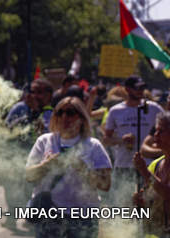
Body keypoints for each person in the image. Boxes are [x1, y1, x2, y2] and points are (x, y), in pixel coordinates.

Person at [25, 96, 112, 238]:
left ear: (81, 118)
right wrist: (46, 165)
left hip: (83, 218)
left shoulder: (93, 145)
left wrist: (83, 169)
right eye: (60, 112)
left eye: (70, 113)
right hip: (48, 214)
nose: (65, 117)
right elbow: (29, 176)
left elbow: (106, 185)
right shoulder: (44, 141)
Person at [103, 75, 163, 204]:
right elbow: (106, 140)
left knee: (148, 203)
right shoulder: (116, 111)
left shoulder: (154, 108)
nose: (141, 91)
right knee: (124, 202)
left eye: (142, 88)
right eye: (137, 88)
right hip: (124, 164)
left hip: (148, 164)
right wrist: (121, 140)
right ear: (127, 90)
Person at [133, 111, 170, 237]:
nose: (155, 135)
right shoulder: (155, 165)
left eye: (161, 131)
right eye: (156, 130)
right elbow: (149, 199)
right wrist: (140, 200)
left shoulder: (148, 170)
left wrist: (145, 172)